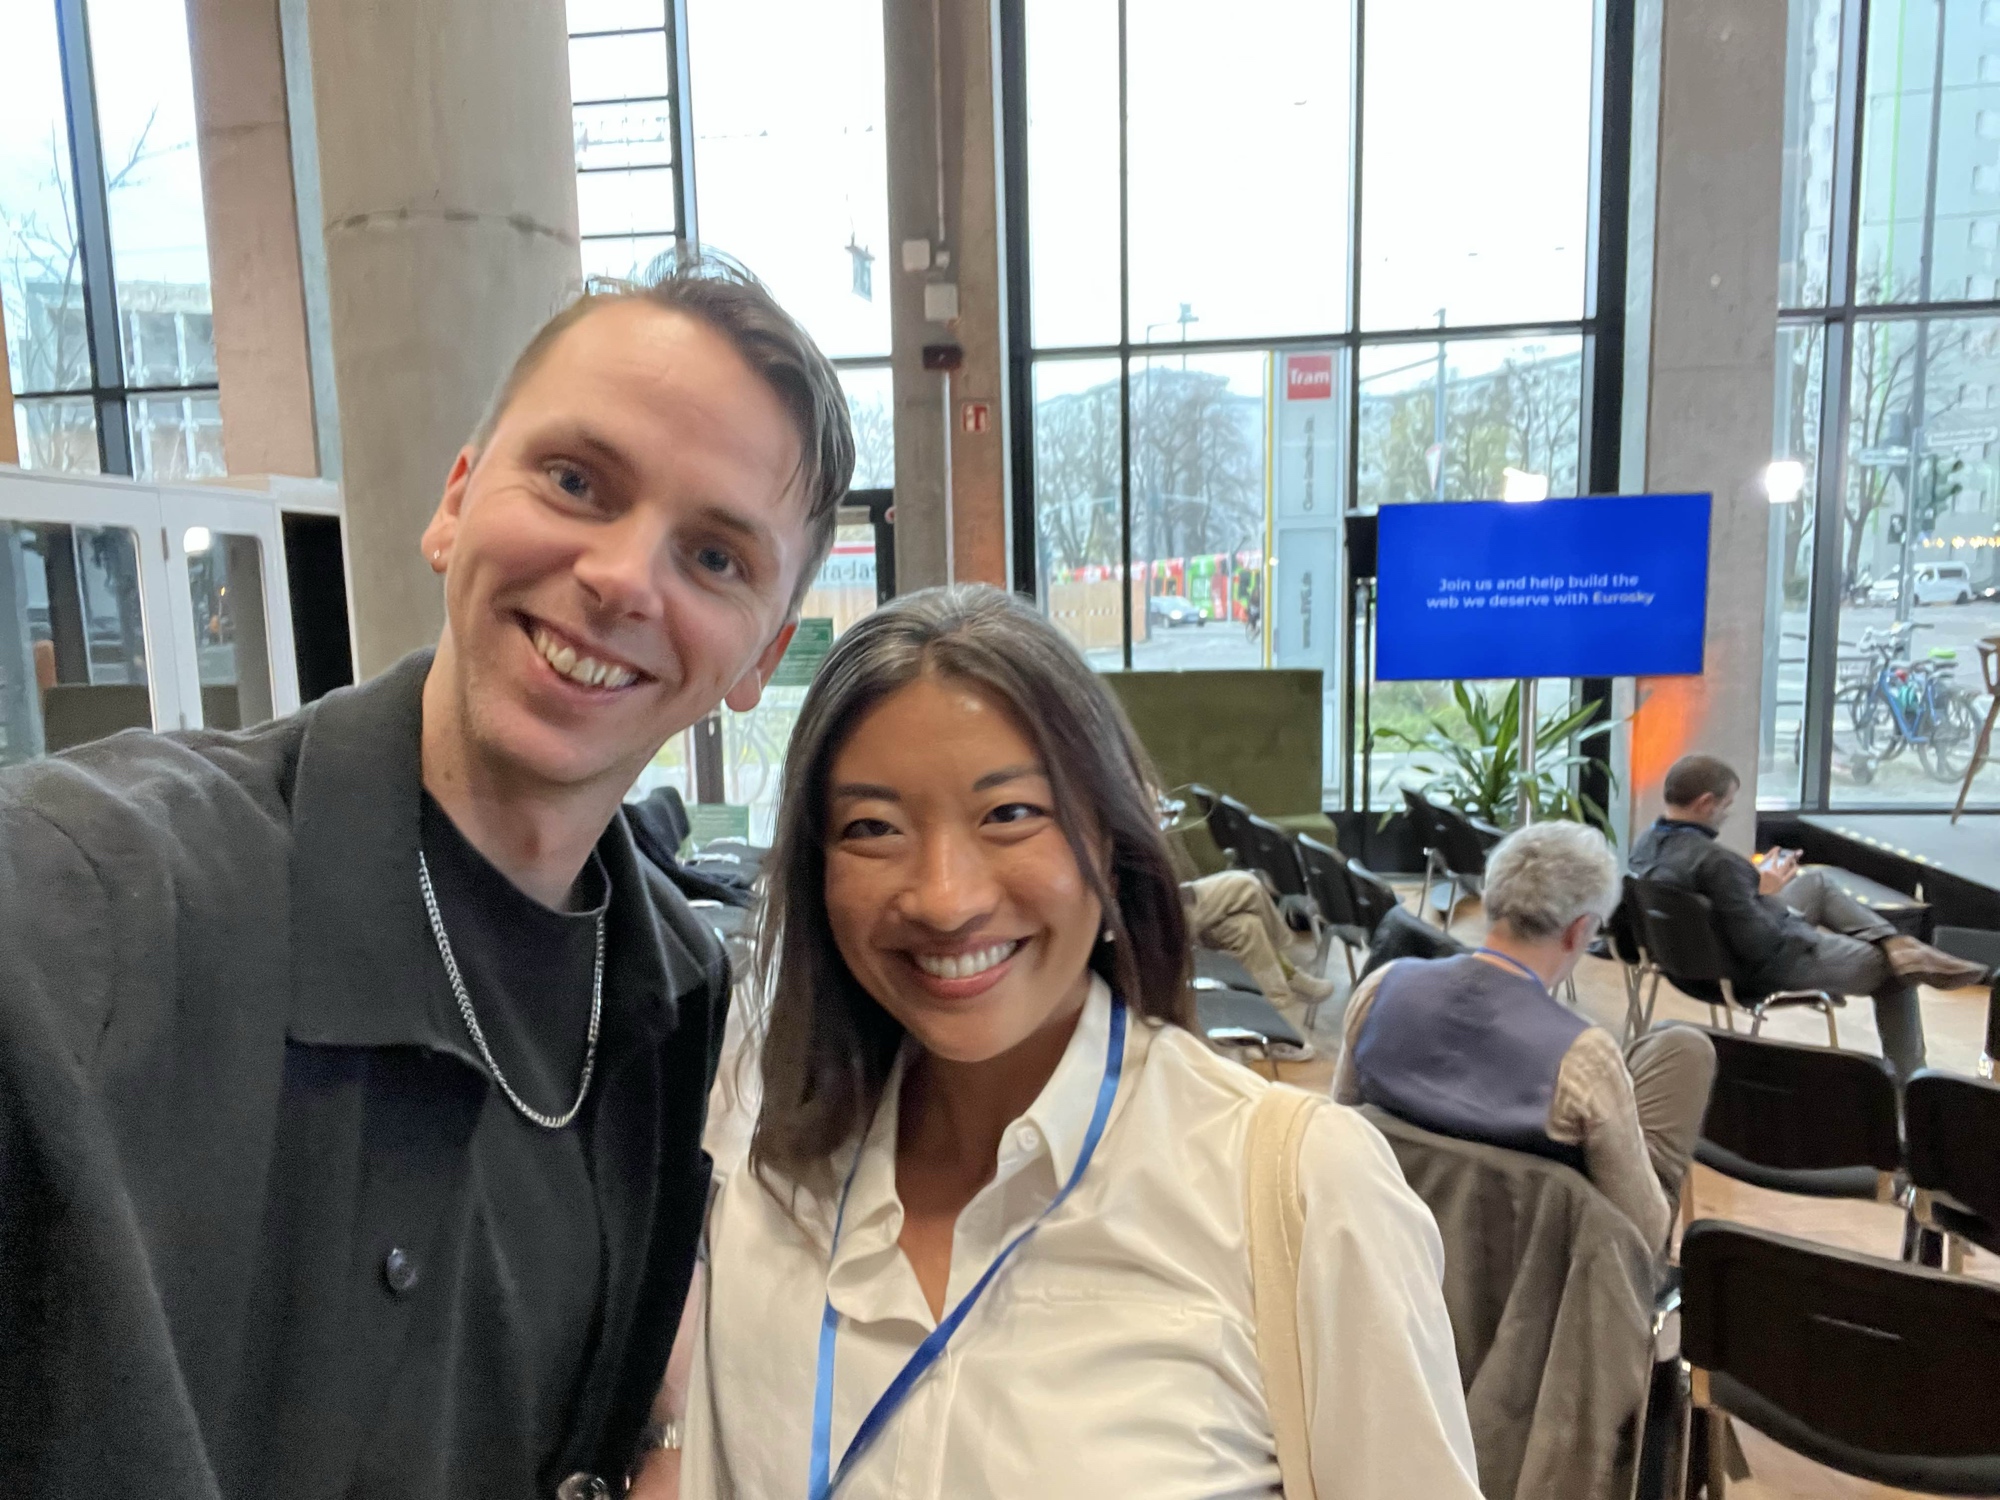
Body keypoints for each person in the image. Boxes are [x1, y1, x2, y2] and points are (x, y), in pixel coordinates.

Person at [0, 258, 854, 1500]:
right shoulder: (109, 899)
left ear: (758, 659)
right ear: (456, 501)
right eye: (575, 481)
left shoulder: (677, 1006)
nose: (623, 578)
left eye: (715, 557)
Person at [679, 585, 1479, 1500]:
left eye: (1010, 814)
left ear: (1108, 839)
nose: (945, 898)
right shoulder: (759, 1169)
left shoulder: (1299, 1189)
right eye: (873, 828)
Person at [1335, 821, 1716, 1251]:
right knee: (1683, 1052)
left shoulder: (1380, 988)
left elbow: (1341, 1125)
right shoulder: (1582, 1058)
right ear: (1580, 930)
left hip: (1387, 1246)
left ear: (1490, 899)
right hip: (1529, 1273)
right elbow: (1641, 1230)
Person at [1628, 753, 1986, 1081]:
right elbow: (1758, 945)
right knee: (1896, 972)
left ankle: (1896, 941)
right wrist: (1775, 903)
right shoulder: (1718, 863)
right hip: (1759, 966)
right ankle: (1911, 1078)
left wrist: (1756, 892)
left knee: (1815, 883)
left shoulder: (1645, 845)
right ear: (1706, 803)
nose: (1727, 813)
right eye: (1727, 805)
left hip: (1690, 963)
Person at [1183, 868, 1338, 1011]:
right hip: (1174, 913)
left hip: (1179, 900)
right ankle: (1286, 976)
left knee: (1248, 927)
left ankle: (1277, 993)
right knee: (1247, 884)